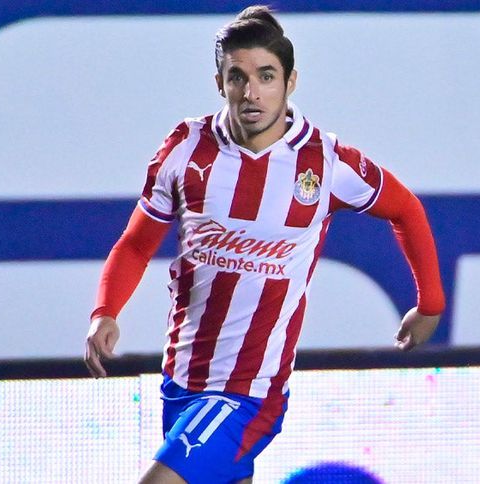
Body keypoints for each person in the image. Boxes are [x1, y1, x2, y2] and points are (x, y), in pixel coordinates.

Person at [85, 6, 445, 483]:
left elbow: (406, 210)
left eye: (266, 76)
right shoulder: (185, 149)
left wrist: (430, 304)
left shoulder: (325, 162)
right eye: (237, 77)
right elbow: (136, 244)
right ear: (220, 83)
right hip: (181, 381)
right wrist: (106, 311)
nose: (251, 92)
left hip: (250, 392)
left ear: (291, 82)